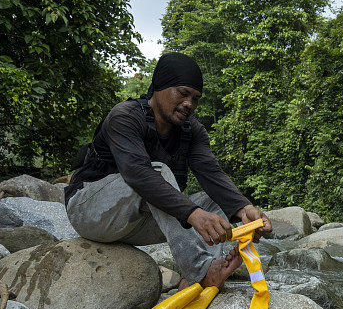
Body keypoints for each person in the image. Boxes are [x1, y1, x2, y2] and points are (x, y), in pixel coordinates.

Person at [65, 52, 271, 289]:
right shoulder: (124, 117)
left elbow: (212, 173)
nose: (189, 104)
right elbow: (138, 174)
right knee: (158, 172)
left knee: (213, 204)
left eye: (195, 99)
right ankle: (200, 271)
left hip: (137, 223)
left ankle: (201, 274)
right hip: (89, 211)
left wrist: (244, 210)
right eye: (183, 94)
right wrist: (192, 213)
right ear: (158, 88)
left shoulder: (192, 130)